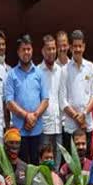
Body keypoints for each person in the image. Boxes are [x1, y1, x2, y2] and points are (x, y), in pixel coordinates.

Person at [5, 34, 49, 165]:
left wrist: (33, 117)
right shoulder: (11, 74)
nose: (26, 52)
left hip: (37, 129)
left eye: (28, 49)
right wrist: (26, 116)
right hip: (19, 132)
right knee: (21, 168)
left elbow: (45, 100)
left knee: (37, 166)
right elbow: (9, 102)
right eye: (23, 49)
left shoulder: (39, 73)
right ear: (18, 52)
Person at [62, 30, 93, 154]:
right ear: (70, 48)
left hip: (86, 123)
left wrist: (84, 114)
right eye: (75, 46)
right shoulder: (64, 70)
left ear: (84, 46)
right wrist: (77, 117)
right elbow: (63, 100)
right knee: (71, 162)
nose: (77, 49)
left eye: (80, 46)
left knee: (86, 160)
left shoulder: (90, 67)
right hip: (71, 125)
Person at [38, 34, 66, 168]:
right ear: (43, 51)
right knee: (44, 165)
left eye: (54, 48)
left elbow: (62, 98)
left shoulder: (60, 71)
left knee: (57, 165)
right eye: (48, 49)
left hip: (58, 126)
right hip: (44, 128)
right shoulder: (37, 71)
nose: (52, 52)